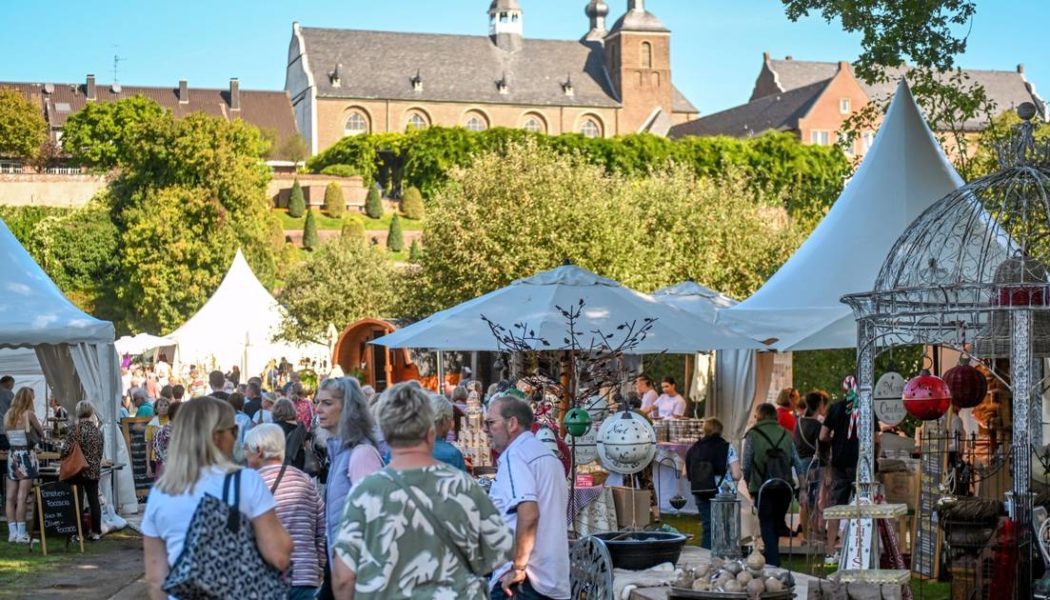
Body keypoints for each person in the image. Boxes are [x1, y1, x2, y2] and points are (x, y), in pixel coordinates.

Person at [333, 382, 512, 599]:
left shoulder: (365, 493)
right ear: (430, 431)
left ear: (386, 434)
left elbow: (344, 578)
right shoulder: (462, 485)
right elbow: (498, 552)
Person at [141, 396, 292, 600]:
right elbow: (279, 555)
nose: (237, 438)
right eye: (234, 431)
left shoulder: (161, 492)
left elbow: (156, 579)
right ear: (216, 437)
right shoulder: (246, 481)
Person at [486, 393, 570, 600]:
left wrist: (518, 567)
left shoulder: (516, 455)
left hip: (525, 581)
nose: (486, 430)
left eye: (491, 423)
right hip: (549, 578)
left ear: (512, 423)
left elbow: (529, 513)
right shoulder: (544, 454)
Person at [316, 377, 384, 599]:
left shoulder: (360, 453)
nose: (318, 409)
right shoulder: (339, 453)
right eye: (318, 402)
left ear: (348, 407)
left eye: (327, 403)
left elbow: (374, 519)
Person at [245, 424, 326, 600]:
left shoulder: (250, 484)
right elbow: (322, 527)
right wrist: (319, 565)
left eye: (246, 449)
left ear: (258, 451)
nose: (244, 455)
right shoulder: (304, 480)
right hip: (305, 578)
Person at [743, 403, 803, 567]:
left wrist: (748, 483)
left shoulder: (753, 435)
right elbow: (798, 463)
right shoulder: (786, 434)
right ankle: (773, 557)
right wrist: (803, 487)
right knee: (776, 522)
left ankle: (773, 561)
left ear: (759, 416)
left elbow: (746, 464)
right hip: (784, 487)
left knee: (767, 523)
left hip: (763, 487)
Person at [685, 417, 741, 549]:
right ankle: (725, 556)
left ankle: (705, 556)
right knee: (725, 527)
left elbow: (685, 473)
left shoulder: (694, 448)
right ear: (721, 431)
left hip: (701, 490)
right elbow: (736, 474)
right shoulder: (727, 447)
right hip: (723, 492)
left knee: (708, 527)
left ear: (704, 430)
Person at [820, 393, 862, 564]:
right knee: (862, 506)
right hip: (859, 462)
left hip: (839, 462)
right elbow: (876, 439)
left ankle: (830, 552)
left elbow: (822, 435)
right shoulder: (865, 408)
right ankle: (859, 551)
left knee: (836, 508)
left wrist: (836, 441)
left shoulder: (836, 408)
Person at [60, 401, 105, 541]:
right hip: (93, 470)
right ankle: (96, 532)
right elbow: (100, 452)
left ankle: (79, 533)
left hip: (77, 470)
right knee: (94, 501)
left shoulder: (75, 430)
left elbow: (65, 450)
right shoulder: (97, 431)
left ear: (78, 412)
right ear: (91, 412)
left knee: (77, 502)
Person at [5, 387, 43, 543]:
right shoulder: (29, 414)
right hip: (26, 456)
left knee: (10, 498)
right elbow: (41, 432)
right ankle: (21, 534)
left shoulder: (8, 414)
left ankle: (12, 533)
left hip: (12, 455)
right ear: (28, 399)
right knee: (22, 497)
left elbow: (7, 437)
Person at [795, 391, 826, 536]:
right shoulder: (818, 425)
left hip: (800, 465)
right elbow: (822, 449)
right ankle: (815, 532)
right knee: (813, 500)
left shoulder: (798, 422)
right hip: (813, 465)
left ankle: (806, 535)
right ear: (819, 405)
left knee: (804, 500)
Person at [430, 393, 466, 470]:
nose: (451, 424)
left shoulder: (412, 449)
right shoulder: (453, 454)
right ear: (445, 420)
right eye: (450, 419)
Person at [274, 398, 309, 471]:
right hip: (298, 465)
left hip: (277, 465)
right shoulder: (300, 427)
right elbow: (307, 446)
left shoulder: (273, 427)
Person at [152, 402, 181, 479]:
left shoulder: (160, 430)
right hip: (174, 472)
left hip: (162, 470)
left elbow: (157, 451)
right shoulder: (177, 432)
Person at [145, 398, 171, 479]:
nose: (163, 407)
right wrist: (148, 466)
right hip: (157, 460)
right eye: (161, 405)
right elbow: (149, 446)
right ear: (156, 409)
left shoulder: (173, 421)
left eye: (166, 405)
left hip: (172, 458)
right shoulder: (151, 425)